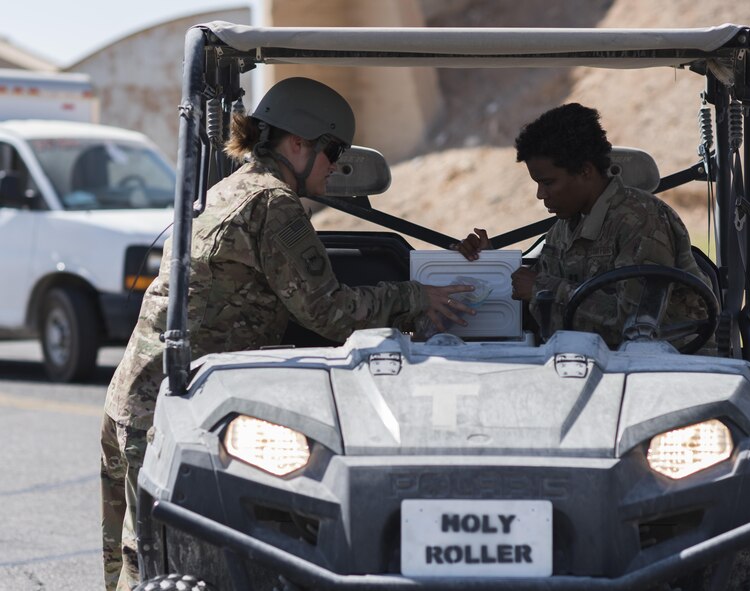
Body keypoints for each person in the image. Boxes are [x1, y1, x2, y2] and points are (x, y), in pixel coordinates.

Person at [100, 77, 474, 591]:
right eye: (333, 151)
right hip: (166, 411)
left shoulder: (231, 189)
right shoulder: (273, 204)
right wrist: (415, 297)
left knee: (126, 564)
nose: (336, 166)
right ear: (297, 143)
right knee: (151, 566)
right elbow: (330, 312)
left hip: (138, 397)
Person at [455, 103, 712, 348]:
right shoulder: (563, 230)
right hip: (589, 360)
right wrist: (489, 264)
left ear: (585, 171)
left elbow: (636, 326)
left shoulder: (641, 220)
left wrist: (543, 288)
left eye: (548, 183)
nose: (540, 195)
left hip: (670, 365)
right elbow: (530, 293)